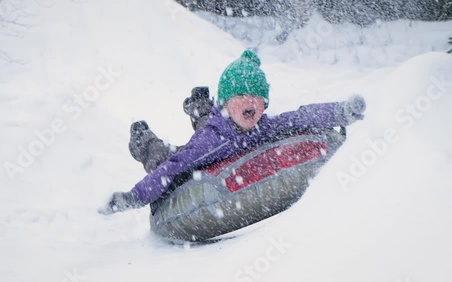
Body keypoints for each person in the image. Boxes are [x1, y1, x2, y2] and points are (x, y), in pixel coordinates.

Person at [101, 50, 366, 214]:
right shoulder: (209, 142)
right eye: (241, 94)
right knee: (165, 156)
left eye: (257, 97)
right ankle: (142, 139)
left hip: (222, 123)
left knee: (214, 120)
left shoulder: (262, 126)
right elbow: (170, 168)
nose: (251, 102)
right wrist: (134, 197)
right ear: (226, 101)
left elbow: (298, 117)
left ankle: (198, 105)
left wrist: (341, 112)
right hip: (206, 147)